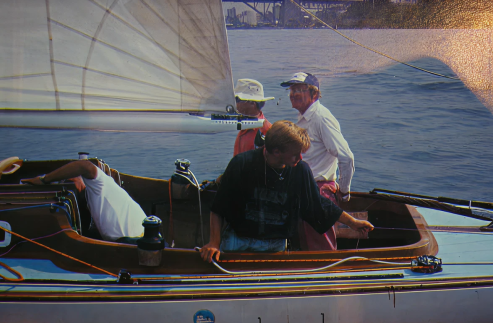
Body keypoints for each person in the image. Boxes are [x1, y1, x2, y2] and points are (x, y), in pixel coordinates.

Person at [200, 120, 373, 263]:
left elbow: (317, 204)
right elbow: (218, 208)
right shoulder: (241, 164)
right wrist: (214, 243)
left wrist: (352, 222)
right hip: (238, 241)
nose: (300, 159)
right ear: (276, 151)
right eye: (295, 154)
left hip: (275, 245)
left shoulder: (300, 170)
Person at [280, 72, 355, 251]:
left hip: (319, 191)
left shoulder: (321, 118)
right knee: (307, 246)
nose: (293, 94)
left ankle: (329, 278)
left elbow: (346, 157)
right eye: (291, 90)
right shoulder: (305, 118)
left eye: (299, 89)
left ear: (314, 94)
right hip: (306, 190)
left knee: (321, 250)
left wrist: (344, 192)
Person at [21, 160, 146, 241]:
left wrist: (44, 180)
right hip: (132, 237)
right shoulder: (97, 193)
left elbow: (84, 166)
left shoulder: (101, 184)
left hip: (134, 240)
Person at [233, 79, 274, 156]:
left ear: (252, 103)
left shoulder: (267, 131)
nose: (235, 103)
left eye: (237, 99)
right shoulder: (246, 127)